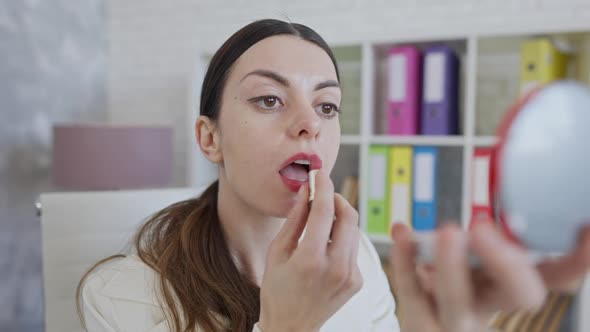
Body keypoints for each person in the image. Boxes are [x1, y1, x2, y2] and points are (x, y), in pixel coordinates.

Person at [77, 19, 590, 332]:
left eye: (327, 106)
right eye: (269, 99)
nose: (308, 125)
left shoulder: (357, 258)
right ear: (210, 138)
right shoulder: (122, 294)